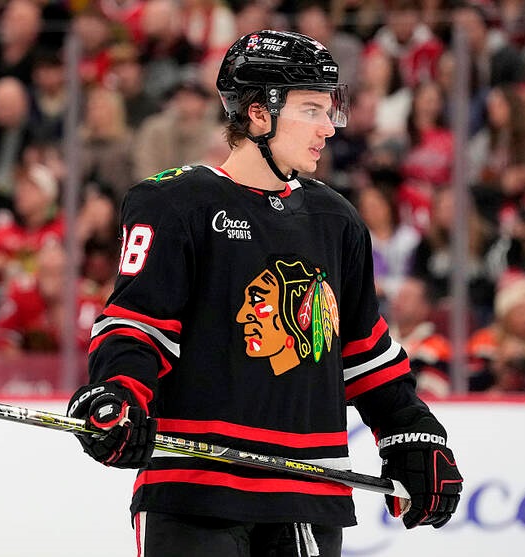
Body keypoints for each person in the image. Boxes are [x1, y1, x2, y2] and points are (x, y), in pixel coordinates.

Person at [66, 30, 462, 557]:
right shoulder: (173, 202)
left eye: (329, 110)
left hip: (308, 493)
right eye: (312, 110)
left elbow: (364, 350)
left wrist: (410, 429)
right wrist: (119, 393)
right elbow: (137, 325)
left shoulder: (336, 220)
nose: (328, 127)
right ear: (258, 113)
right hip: (196, 491)